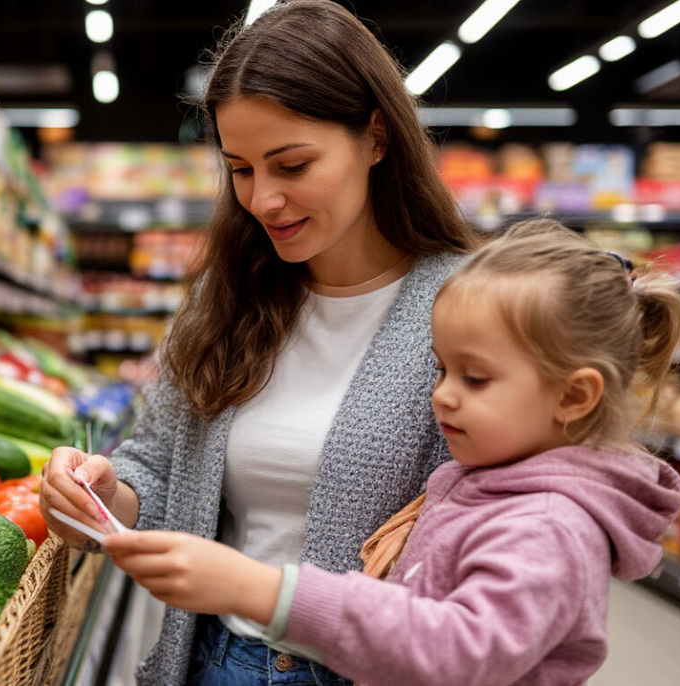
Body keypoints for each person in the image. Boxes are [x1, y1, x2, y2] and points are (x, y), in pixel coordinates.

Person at [41, 1, 476, 683]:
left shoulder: (469, 309)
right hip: (213, 661)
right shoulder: (226, 298)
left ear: (378, 138)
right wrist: (102, 497)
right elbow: (157, 469)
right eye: (241, 169)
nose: (264, 199)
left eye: (292, 165)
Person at [104, 219, 680, 686]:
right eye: (440, 369)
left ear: (574, 394)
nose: (442, 395)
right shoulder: (485, 480)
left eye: (476, 379)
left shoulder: (549, 524)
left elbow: (456, 649)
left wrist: (264, 590)